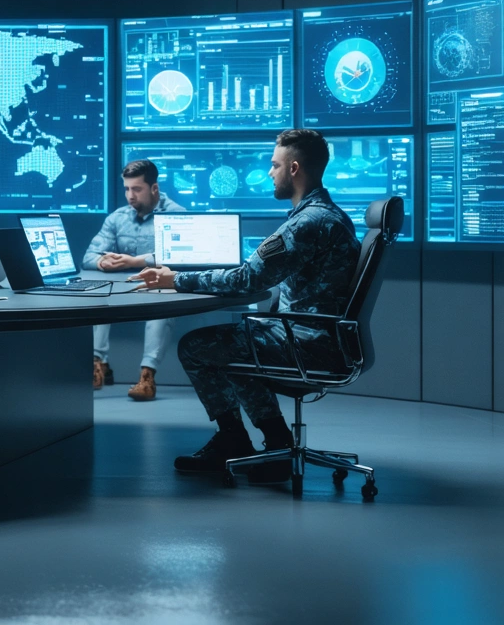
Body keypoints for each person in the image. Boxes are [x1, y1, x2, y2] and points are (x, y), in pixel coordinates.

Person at [133, 129, 360, 484]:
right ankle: (271, 441)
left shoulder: (308, 222)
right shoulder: (328, 214)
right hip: (322, 338)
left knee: (195, 347)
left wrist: (174, 279)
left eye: (275, 165)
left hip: (308, 343)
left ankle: (240, 439)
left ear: (294, 169)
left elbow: (246, 279)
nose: (270, 172)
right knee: (237, 343)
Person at [81, 159, 184, 400]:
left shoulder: (177, 215)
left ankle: (147, 375)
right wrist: (102, 262)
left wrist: (136, 262)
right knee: (98, 296)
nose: (130, 195)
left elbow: (179, 256)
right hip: (121, 286)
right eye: (127, 188)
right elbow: (89, 256)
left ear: (154, 188)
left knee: (161, 306)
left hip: (157, 285)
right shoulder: (117, 218)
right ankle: (98, 364)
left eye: (136, 189)